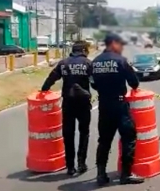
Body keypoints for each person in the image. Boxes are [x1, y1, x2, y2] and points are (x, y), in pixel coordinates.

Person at [91, 33, 145, 186]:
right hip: (120, 106)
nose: (121, 47)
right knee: (129, 137)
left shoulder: (95, 62)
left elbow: (93, 84)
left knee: (104, 141)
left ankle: (101, 175)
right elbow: (134, 83)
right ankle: (126, 175)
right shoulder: (121, 61)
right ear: (113, 43)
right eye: (120, 44)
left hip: (104, 106)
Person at [41, 41, 92, 176]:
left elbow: (52, 78)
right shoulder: (88, 63)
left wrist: (44, 90)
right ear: (84, 50)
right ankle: (81, 163)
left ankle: (70, 166)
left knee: (68, 134)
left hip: (68, 103)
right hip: (83, 103)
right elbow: (96, 82)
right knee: (84, 133)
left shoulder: (63, 63)